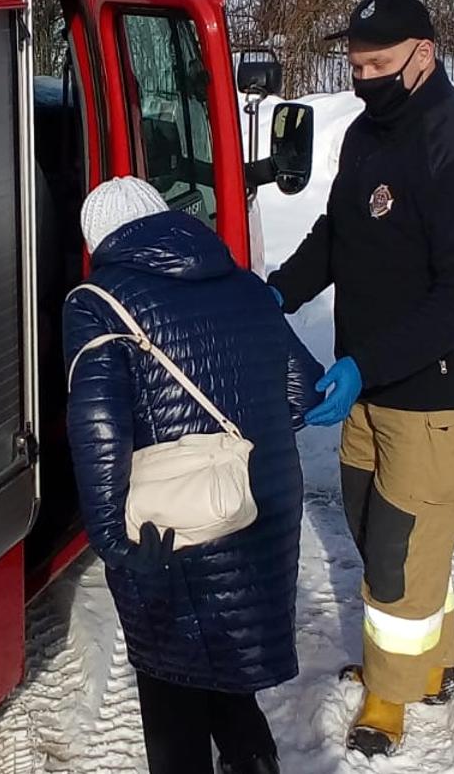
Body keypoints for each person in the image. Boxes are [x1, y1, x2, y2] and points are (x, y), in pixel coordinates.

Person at [266, 0, 454, 758]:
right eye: (354, 64)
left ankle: (391, 694)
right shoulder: (369, 136)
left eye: (378, 63)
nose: (364, 76)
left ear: (424, 55)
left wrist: (364, 362)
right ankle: (430, 664)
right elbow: (338, 235)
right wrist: (276, 289)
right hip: (370, 386)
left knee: (400, 555)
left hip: (437, 397)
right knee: (380, 529)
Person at [64, 177, 323, 774]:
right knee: (228, 664)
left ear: (99, 240)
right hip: (258, 510)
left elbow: (99, 432)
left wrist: (111, 540)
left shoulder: (97, 301)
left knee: (172, 686)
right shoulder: (247, 286)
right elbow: (302, 393)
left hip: (173, 530)